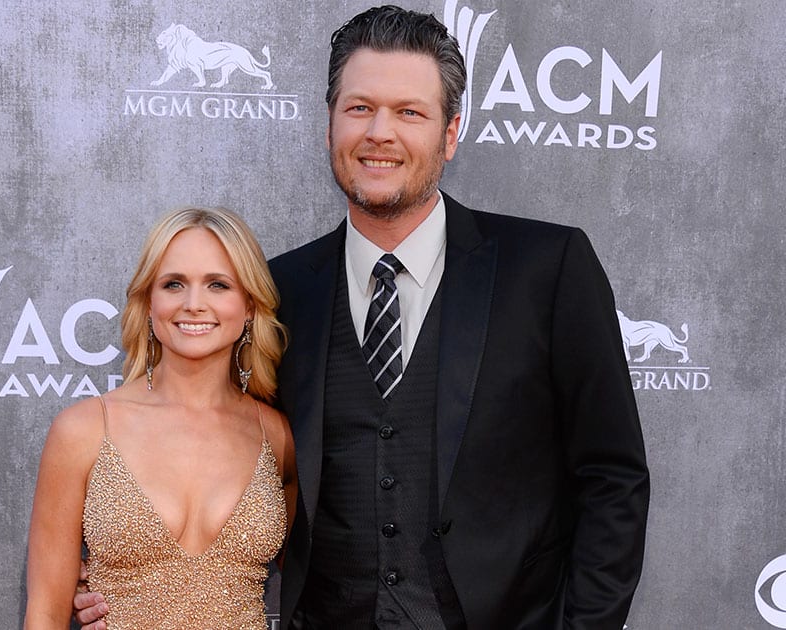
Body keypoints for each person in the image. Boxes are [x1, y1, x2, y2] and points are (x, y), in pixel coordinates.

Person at [77, 5, 649, 629]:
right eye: (359, 108)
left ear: (451, 133)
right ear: (329, 126)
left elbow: (612, 477)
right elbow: (214, 438)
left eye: (409, 112)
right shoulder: (278, 289)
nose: (380, 132)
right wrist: (141, 579)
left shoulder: (548, 268)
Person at [25, 207, 296, 629]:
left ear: (249, 306)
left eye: (218, 285)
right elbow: (44, 613)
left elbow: (318, 575)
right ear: (149, 302)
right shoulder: (83, 430)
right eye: (174, 284)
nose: (193, 304)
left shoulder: (276, 435)